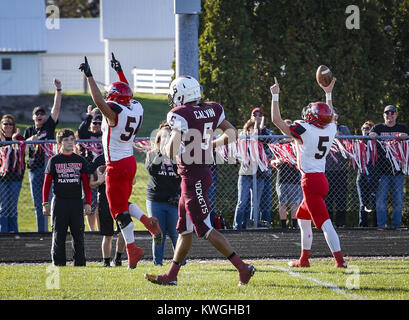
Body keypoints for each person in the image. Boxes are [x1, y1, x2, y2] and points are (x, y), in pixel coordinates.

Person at [144, 75, 255, 286]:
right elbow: (232, 133)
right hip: (199, 172)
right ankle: (172, 275)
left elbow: (171, 152)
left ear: (181, 95)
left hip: (192, 176)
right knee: (185, 230)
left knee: (204, 228)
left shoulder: (180, 114)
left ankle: (243, 268)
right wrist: (210, 144)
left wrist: (167, 146)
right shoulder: (212, 109)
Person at [79, 54, 162, 269]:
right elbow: (127, 92)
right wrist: (120, 71)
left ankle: (132, 249)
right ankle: (148, 223)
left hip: (115, 165)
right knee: (123, 204)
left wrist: (89, 76)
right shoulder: (136, 107)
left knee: (118, 212)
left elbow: (98, 101)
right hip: (130, 162)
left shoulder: (115, 113)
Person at [271, 76, 347, 268]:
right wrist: (328, 92)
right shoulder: (329, 129)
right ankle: (303, 260)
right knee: (303, 219)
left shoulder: (305, 129)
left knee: (325, 224)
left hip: (310, 182)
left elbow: (276, 120)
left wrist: (275, 96)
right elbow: (329, 115)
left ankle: (340, 262)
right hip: (321, 178)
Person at [42, 129, 91, 266]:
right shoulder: (54, 160)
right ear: (60, 143)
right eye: (66, 140)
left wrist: (87, 203)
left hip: (76, 202)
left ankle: (80, 263)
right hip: (60, 202)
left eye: (71, 139)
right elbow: (46, 185)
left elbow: (86, 184)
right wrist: (45, 204)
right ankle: (58, 263)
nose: (70, 142)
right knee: (59, 234)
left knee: (78, 234)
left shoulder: (80, 160)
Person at [24, 78, 62, 232]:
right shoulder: (29, 130)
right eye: (36, 114)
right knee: (38, 203)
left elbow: (56, 108)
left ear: (45, 117)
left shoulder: (49, 125)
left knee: (51, 201)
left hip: (49, 169)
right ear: (33, 117)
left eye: (42, 114)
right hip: (34, 169)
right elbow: (22, 145)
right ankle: (41, 232)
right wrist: (29, 140)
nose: (39, 116)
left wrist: (58, 90)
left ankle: (54, 231)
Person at [145, 121, 181, 266]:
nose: (168, 139)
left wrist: (178, 195)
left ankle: (180, 263)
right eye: (165, 137)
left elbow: (182, 178)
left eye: (170, 137)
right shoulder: (152, 154)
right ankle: (157, 263)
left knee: (175, 233)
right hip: (155, 200)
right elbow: (152, 171)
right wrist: (162, 153)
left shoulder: (178, 156)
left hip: (173, 201)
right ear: (159, 139)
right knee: (158, 234)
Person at [369, 105, 409, 228]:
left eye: (392, 112)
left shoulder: (402, 128)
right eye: (387, 113)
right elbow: (370, 135)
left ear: (396, 115)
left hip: (398, 171)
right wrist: (372, 135)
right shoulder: (378, 127)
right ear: (383, 115)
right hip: (382, 171)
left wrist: (406, 136)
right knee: (380, 200)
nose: (389, 115)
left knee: (398, 201)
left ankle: (396, 225)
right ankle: (382, 225)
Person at [89, 153, 126, 267]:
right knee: (107, 234)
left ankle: (118, 258)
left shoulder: (123, 156)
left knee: (123, 231)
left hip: (120, 197)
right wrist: (100, 181)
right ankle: (106, 262)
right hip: (105, 198)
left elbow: (133, 181)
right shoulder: (99, 160)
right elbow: (91, 183)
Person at [233, 119, 265, 230]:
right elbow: (237, 155)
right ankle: (237, 226)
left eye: (254, 129)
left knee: (255, 203)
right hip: (245, 174)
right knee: (242, 201)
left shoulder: (260, 140)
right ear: (247, 129)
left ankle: (252, 225)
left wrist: (259, 125)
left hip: (259, 174)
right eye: (251, 128)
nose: (253, 131)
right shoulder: (242, 139)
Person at [271, 120, 301, 230]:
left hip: (294, 178)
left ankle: (294, 225)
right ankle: (283, 226)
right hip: (282, 178)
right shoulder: (278, 145)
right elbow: (272, 160)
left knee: (294, 203)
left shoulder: (297, 143)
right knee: (282, 203)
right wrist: (277, 161)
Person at [77, 105, 104, 231]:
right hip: (89, 174)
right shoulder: (86, 135)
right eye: (94, 123)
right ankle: (92, 231)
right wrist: (89, 116)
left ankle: (101, 229)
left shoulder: (105, 135)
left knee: (101, 205)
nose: (97, 125)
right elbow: (81, 129)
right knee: (90, 203)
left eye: (99, 123)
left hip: (103, 173)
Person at [324, 107, 351, 227]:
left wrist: (334, 128)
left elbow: (347, 144)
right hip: (326, 169)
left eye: (335, 114)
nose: (333, 116)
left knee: (341, 197)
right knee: (327, 197)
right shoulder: (323, 128)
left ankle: (341, 223)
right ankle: (328, 222)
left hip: (340, 169)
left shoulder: (343, 128)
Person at [0, 115, 25, 232]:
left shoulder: (19, 138)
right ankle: (3, 231)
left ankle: (13, 232)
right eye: (5, 123)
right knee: (3, 206)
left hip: (16, 177)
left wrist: (14, 140)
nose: (8, 126)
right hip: (2, 179)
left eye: (10, 124)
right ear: (1, 125)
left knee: (12, 206)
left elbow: (23, 148)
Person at [251, 107, 275, 225]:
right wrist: (256, 129)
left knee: (266, 200)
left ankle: (266, 223)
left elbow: (270, 142)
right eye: (255, 115)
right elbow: (253, 140)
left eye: (260, 115)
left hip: (266, 170)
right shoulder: (247, 131)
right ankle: (252, 223)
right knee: (254, 200)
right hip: (253, 172)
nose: (258, 117)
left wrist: (262, 129)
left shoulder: (269, 132)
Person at [356, 121, 378, 227]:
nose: (366, 130)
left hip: (374, 175)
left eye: (368, 128)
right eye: (364, 128)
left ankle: (376, 225)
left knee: (375, 202)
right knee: (362, 202)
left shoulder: (376, 143)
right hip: (362, 175)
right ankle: (362, 225)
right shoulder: (356, 143)